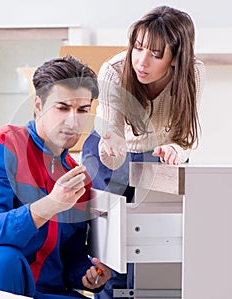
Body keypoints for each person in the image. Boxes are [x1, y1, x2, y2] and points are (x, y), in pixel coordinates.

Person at [0, 56, 111, 298]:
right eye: (62, 107)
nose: (73, 120)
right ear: (38, 105)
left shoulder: (74, 176)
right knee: (5, 259)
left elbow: (71, 256)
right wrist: (50, 204)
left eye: (82, 110)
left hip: (46, 292)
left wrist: (86, 274)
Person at [82, 5, 205, 299]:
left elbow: (186, 138)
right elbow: (111, 133)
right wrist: (112, 151)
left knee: (149, 241)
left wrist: (176, 151)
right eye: (137, 48)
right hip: (109, 151)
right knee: (112, 246)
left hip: (154, 154)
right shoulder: (114, 71)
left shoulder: (193, 73)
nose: (141, 61)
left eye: (155, 54)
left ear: (176, 58)